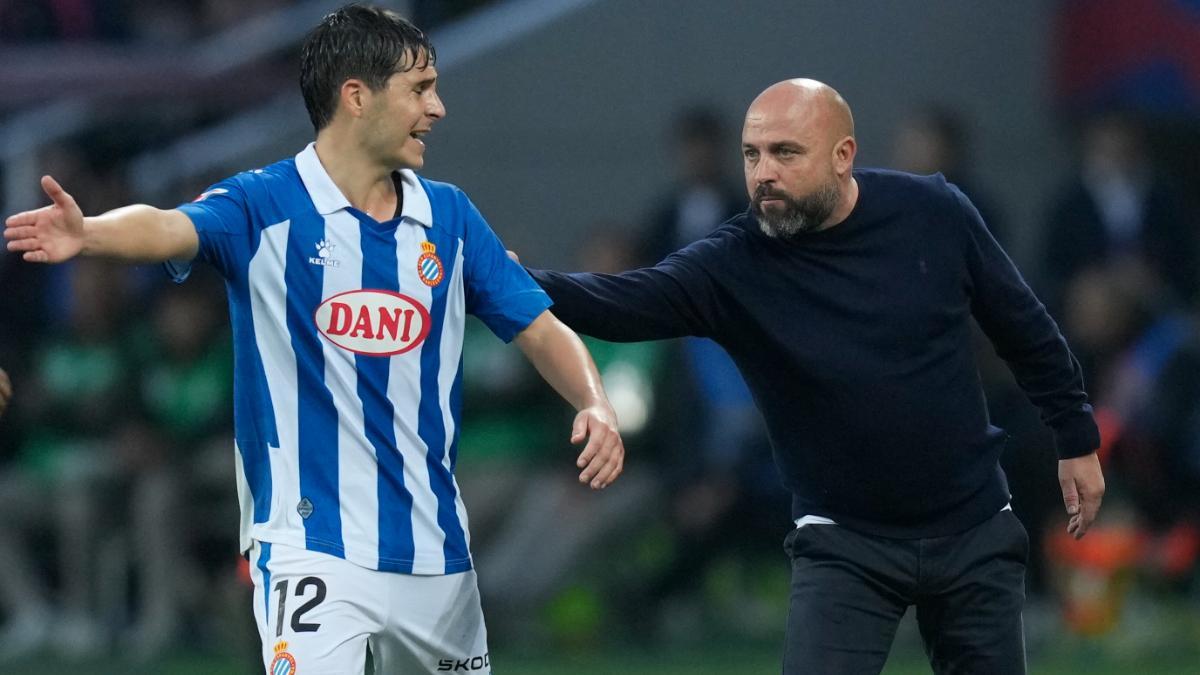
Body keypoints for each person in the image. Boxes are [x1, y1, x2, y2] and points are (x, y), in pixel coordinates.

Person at [4, 5, 625, 673]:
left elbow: (539, 326)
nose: (438, 107)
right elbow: (168, 226)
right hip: (310, 547)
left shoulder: (449, 216)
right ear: (356, 96)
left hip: (436, 553)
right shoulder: (262, 205)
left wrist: (593, 401)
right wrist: (90, 232)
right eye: (420, 89)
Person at [521, 78, 1105, 674]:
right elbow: (620, 303)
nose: (762, 173)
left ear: (843, 155)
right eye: (752, 154)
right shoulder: (734, 262)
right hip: (846, 543)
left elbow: (1026, 330)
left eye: (785, 152)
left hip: (973, 526)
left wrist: (1076, 438)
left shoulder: (933, 212)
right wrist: (505, 278)